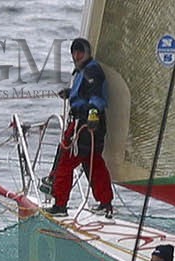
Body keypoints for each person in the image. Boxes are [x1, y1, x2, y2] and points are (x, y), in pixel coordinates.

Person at [46, 37, 114, 218]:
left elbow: (97, 96)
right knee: (93, 162)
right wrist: (70, 94)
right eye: (74, 52)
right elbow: (85, 93)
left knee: (65, 162)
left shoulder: (91, 70)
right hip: (89, 124)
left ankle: (60, 205)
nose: (77, 55)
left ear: (87, 53)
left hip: (85, 125)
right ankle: (105, 203)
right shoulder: (82, 71)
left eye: (80, 51)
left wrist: (93, 114)